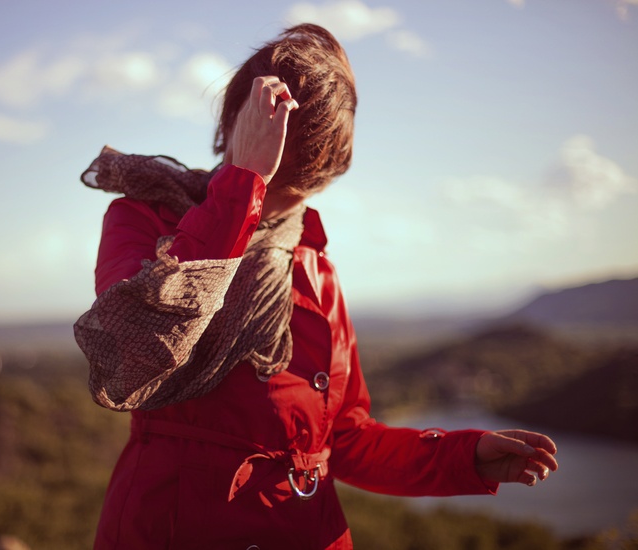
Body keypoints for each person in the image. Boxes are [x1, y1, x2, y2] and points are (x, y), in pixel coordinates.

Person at [74, 23, 558, 550]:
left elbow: (344, 439)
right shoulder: (147, 215)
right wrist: (243, 185)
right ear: (236, 122)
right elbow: (131, 351)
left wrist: (462, 456)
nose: (280, 204)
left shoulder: (312, 263)